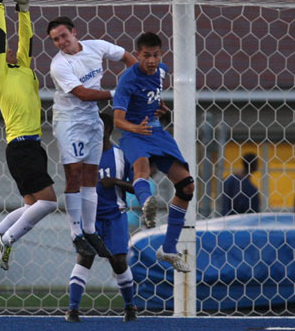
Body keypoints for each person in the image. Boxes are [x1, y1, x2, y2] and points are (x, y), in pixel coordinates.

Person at [0, 0, 57, 271]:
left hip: (31, 146)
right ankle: (5, 240)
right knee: (48, 203)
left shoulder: (21, 68)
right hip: (21, 147)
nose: (10, 50)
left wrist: (23, 9)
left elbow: (26, 40)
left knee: (31, 207)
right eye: (2, 52)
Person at [46, 16, 137, 257]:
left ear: (74, 32)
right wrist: (120, 93)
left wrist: (139, 80)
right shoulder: (59, 65)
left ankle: (89, 230)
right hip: (69, 121)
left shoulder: (96, 46)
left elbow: (127, 57)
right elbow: (83, 94)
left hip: (91, 120)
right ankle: (76, 233)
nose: (61, 42)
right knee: (74, 172)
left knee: (90, 174)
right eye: (56, 40)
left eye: (64, 36)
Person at [112, 32, 194, 273]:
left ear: (161, 54)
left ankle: (168, 248)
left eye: (155, 55)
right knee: (142, 168)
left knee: (187, 185)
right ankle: (146, 200)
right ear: (137, 55)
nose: (151, 60)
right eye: (146, 56)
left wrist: (160, 106)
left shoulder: (161, 71)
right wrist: (135, 127)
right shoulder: (127, 80)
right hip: (135, 133)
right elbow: (118, 120)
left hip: (156, 132)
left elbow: (153, 95)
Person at [65, 113, 137, 323]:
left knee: (119, 261)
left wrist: (115, 181)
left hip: (115, 216)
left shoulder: (121, 155)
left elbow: (136, 185)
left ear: (104, 130)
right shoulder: (83, 156)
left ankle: (129, 308)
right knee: (85, 258)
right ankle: (73, 310)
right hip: (90, 219)